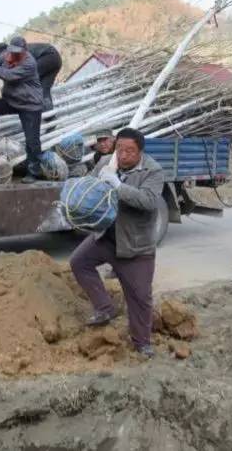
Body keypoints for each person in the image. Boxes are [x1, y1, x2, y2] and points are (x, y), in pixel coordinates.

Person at [70, 128, 164, 357]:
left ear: (140, 151)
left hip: (135, 246)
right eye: (120, 149)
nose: (123, 155)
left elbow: (149, 201)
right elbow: (89, 188)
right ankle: (104, 307)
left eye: (129, 151)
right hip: (107, 237)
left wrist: (118, 186)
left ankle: (142, 342)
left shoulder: (153, 171)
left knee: (140, 297)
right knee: (79, 262)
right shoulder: (105, 162)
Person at [0, 36, 44, 184]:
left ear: (25, 51)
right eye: (13, 51)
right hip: (12, 100)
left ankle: (34, 172)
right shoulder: (6, 54)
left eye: (18, 52)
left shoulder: (29, 63)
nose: (14, 54)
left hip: (30, 105)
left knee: (32, 140)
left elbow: (8, 75)